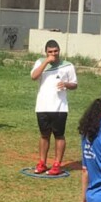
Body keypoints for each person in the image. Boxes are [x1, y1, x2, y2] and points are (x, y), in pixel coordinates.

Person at [30, 39, 78, 175]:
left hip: (59, 107)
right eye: (50, 51)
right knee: (44, 135)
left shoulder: (68, 65)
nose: (53, 54)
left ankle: (57, 164)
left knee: (59, 135)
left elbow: (74, 84)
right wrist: (46, 62)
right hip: (42, 106)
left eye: (55, 51)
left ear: (59, 51)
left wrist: (66, 84)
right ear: (46, 52)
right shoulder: (40, 62)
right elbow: (34, 76)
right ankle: (42, 163)